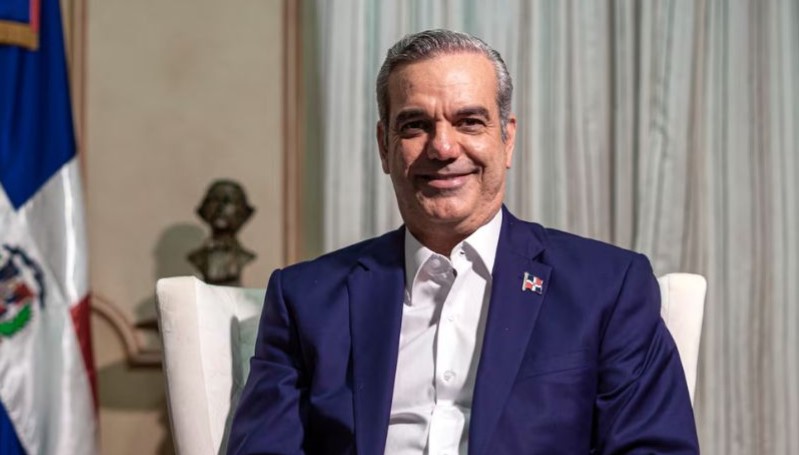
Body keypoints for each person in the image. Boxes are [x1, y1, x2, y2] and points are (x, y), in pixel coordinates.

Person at [228, 29, 699, 454]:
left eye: (469, 121)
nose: (443, 147)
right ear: (384, 146)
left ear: (507, 139)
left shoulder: (608, 287)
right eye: (415, 125)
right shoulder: (305, 299)